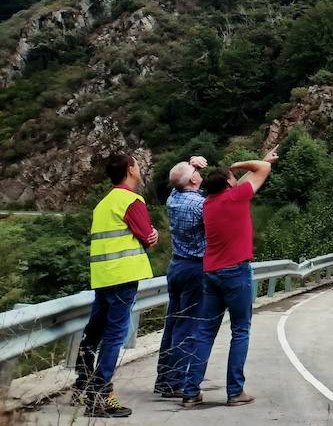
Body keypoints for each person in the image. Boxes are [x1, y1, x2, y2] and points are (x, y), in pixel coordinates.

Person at [180, 148, 277, 409]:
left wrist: (256, 164)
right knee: (240, 331)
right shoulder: (236, 198)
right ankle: (235, 391)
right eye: (233, 178)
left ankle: (190, 391)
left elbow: (249, 178)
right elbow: (261, 173)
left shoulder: (209, 204)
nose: (237, 180)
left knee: (204, 333)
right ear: (228, 186)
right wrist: (239, 163)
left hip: (211, 273)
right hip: (236, 272)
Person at [75, 152, 159, 419]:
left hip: (103, 275)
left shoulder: (103, 203)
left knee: (95, 330)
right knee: (114, 335)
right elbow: (147, 236)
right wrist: (152, 235)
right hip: (123, 276)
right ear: (130, 170)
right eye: (136, 163)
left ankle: (82, 384)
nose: (139, 167)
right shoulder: (131, 200)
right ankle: (100, 396)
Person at [153, 154, 209, 398]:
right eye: (194, 172)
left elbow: (180, 182)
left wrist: (191, 164)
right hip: (196, 269)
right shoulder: (199, 206)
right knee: (187, 327)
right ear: (193, 181)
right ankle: (174, 382)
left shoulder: (173, 199)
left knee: (173, 323)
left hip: (176, 266)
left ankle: (163, 377)